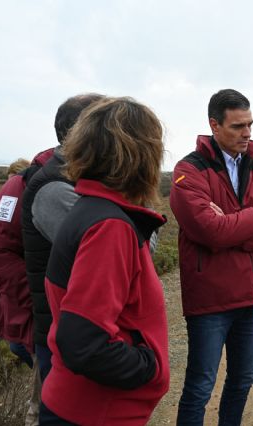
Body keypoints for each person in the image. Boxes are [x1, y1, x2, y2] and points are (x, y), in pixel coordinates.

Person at [39, 97, 169, 424]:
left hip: (79, 406)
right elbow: (82, 342)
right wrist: (149, 366)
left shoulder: (90, 210)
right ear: (142, 156)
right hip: (96, 412)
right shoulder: (110, 227)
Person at [170, 88, 253, 426]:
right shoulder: (189, 170)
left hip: (251, 300)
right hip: (209, 300)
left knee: (242, 379)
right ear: (214, 124)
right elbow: (208, 230)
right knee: (200, 385)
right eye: (239, 126)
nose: (248, 133)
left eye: (250, 124)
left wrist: (229, 230)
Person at [22, 93, 105, 384]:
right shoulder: (55, 189)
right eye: (107, 126)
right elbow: (133, 252)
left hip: (83, 333)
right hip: (68, 339)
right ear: (82, 134)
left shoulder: (81, 180)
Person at [0, 158, 34, 388]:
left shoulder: (32, 206)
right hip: (6, 286)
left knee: (17, 345)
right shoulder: (6, 206)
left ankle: (51, 374)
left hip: (20, 285)